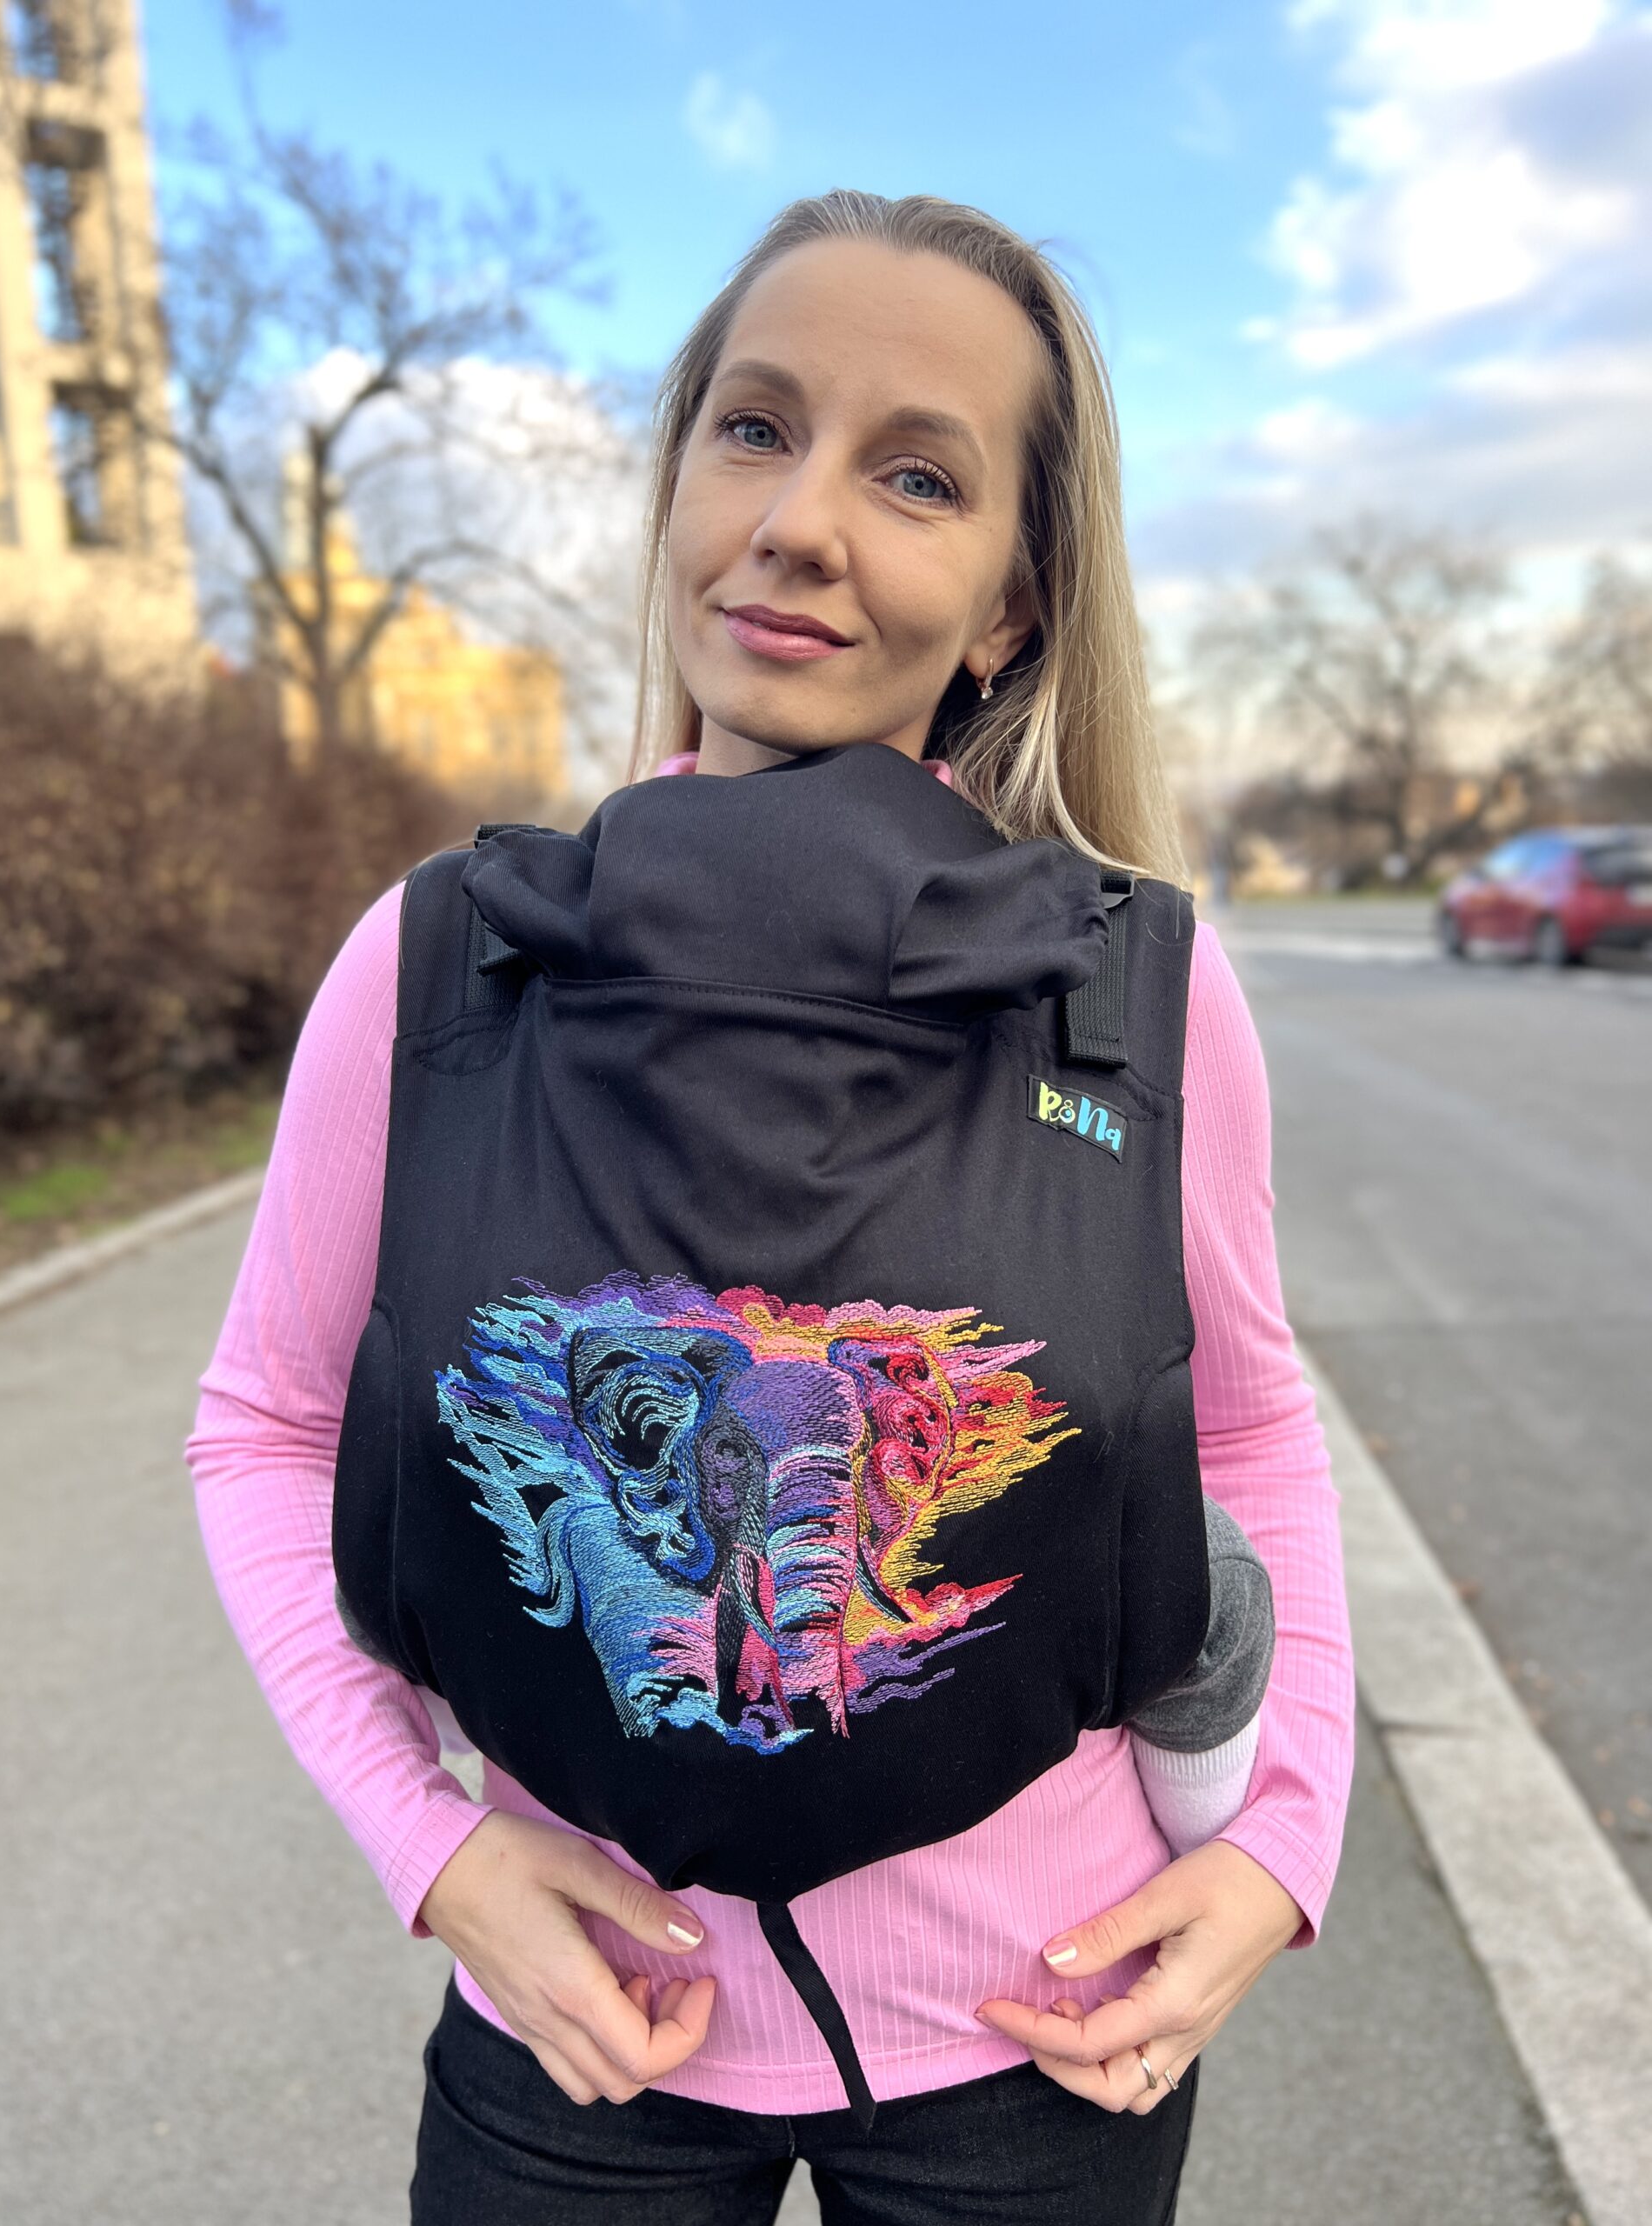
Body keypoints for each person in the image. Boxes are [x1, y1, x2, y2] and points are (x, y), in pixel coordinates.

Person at [187, 190, 1355, 2225]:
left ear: (1010, 602)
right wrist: (430, 1845)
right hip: (587, 2030)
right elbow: (270, 1427)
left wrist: (1282, 1838)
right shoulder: (447, 964)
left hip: (1040, 2036)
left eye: (918, 474)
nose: (802, 520)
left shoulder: (1135, 996)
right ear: (677, 487)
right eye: (754, 428)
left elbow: (1243, 1429)